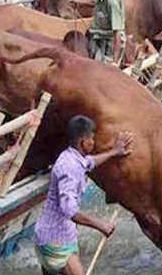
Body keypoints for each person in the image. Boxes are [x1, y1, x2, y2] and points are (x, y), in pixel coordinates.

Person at [34, 115, 133, 275]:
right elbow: (70, 210)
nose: (93, 142)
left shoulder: (70, 157)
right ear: (82, 141)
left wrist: (114, 152)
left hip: (45, 236)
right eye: (91, 139)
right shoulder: (69, 168)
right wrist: (101, 225)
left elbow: (89, 162)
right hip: (56, 242)